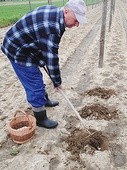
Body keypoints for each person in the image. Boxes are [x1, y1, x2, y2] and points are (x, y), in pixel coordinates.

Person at [1, 0, 87, 129]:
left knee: (37, 76)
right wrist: (57, 81)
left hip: (27, 46)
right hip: (18, 50)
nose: (77, 24)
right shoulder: (51, 27)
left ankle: (44, 100)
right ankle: (40, 118)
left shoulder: (56, 15)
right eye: (76, 20)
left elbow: (43, 45)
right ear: (66, 11)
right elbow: (51, 58)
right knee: (34, 82)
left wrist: (41, 60)